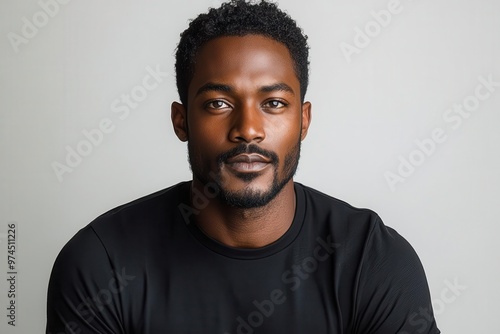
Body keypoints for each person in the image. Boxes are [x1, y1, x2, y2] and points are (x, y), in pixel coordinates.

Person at [46, 1, 440, 333]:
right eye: (218, 103)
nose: (248, 129)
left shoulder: (373, 263)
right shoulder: (102, 265)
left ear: (303, 121)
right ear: (181, 121)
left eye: (273, 104)